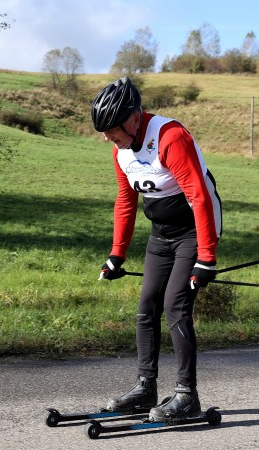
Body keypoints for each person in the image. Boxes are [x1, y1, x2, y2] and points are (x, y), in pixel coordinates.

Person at [92, 76, 222, 421]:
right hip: (161, 233)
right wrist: (116, 254)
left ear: (134, 118)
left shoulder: (170, 137)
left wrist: (207, 258)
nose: (108, 137)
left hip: (194, 230)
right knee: (146, 306)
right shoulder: (120, 150)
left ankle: (186, 395)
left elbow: (199, 196)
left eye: (112, 130)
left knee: (175, 306)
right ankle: (145, 386)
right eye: (103, 132)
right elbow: (125, 200)